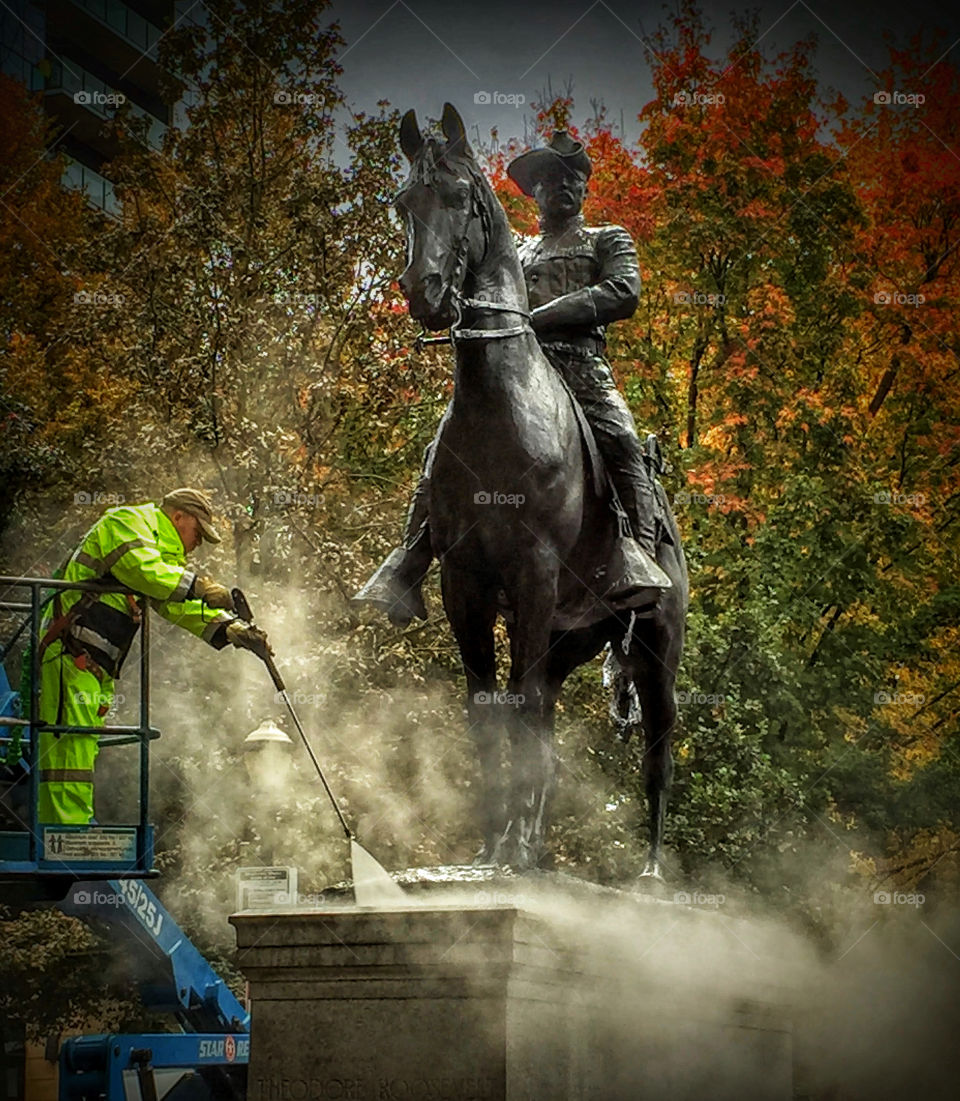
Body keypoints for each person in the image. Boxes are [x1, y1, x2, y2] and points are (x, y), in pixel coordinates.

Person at [353, 130, 671, 626]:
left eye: (573, 177)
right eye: (550, 178)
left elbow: (623, 291)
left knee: (623, 440)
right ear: (534, 191)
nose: (563, 185)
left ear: (585, 187)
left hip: (581, 369)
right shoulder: (514, 251)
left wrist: (542, 315)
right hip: (515, 375)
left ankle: (637, 556)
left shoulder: (606, 238)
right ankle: (409, 560)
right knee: (441, 448)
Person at [35, 488, 269, 825]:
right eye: (198, 533)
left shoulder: (161, 555)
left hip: (95, 663)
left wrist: (229, 629)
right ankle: (66, 835)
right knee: (70, 746)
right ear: (178, 516)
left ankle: (69, 829)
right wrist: (199, 586)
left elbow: (173, 601)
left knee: (81, 745)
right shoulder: (127, 522)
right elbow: (143, 571)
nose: (198, 543)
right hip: (70, 652)